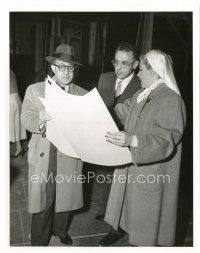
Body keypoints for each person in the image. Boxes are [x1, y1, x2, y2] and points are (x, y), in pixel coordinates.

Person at [103, 49, 186, 246]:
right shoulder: (142, 94)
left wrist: (133, 140)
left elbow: (166, 141)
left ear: (156, 72)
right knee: (134, 225)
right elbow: (120, 111)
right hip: (135, 172)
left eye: (141, 70)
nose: (138, 74)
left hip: (153, 175)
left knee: (147, 232)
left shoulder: (170, 100)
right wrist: (93, 112)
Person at [21, 44, 87, 246]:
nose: (66, 72)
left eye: (70, 68)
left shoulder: (84, 95)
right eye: (61, 67)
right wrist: (40, 119)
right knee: (44, 198)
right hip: (45, 151)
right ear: (53, 68)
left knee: (65, 195)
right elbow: (25, 118)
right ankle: (39, 240)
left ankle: (60, 230)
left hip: (69, 153)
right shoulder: (34, 90)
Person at [96, 42, 141, 246]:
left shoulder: (142, 84)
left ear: (136, 64)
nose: (118, 68)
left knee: (121, 185)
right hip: (104, 139)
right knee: (104, 180)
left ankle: (117, 228)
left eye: (125, 63)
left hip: (126, 142)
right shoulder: (105, 78)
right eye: (116, 62)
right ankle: (109, 213)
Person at [10, 69, 27, 158]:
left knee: (8, 126)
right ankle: (19, 147)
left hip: (9, 100)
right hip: (16, 99)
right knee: (15, 124)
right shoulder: (11, 71)